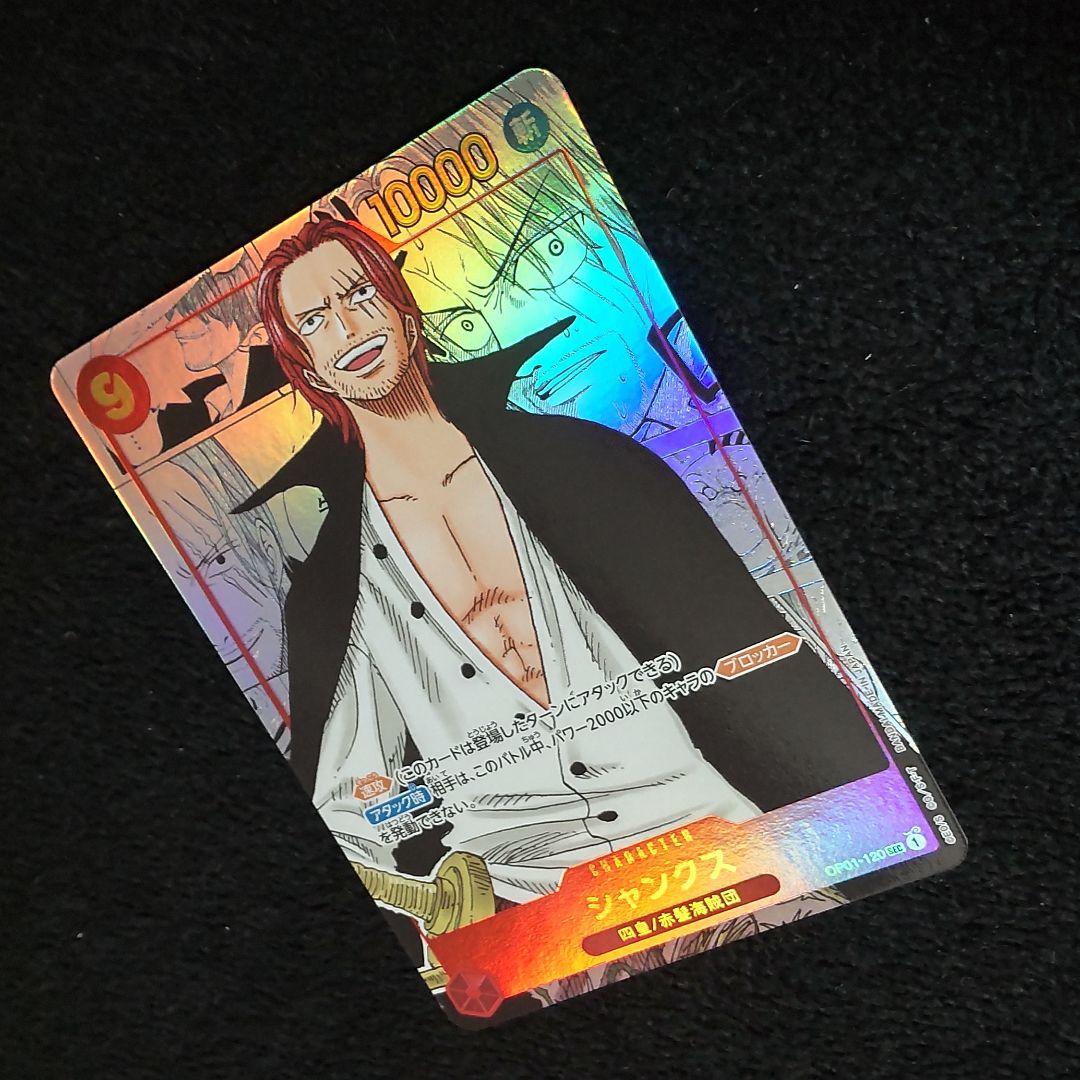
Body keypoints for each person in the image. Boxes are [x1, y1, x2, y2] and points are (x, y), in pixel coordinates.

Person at [236, 216, 884, 905]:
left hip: (714, 839)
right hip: (526, 901)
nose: (347, 328)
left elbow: (753, 649)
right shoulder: (335, 589)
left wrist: (872, 833)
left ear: (404, 310)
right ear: (306, 366)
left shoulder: (591, 466)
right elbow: (346, 808)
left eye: (359, 295)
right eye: (315, 321)